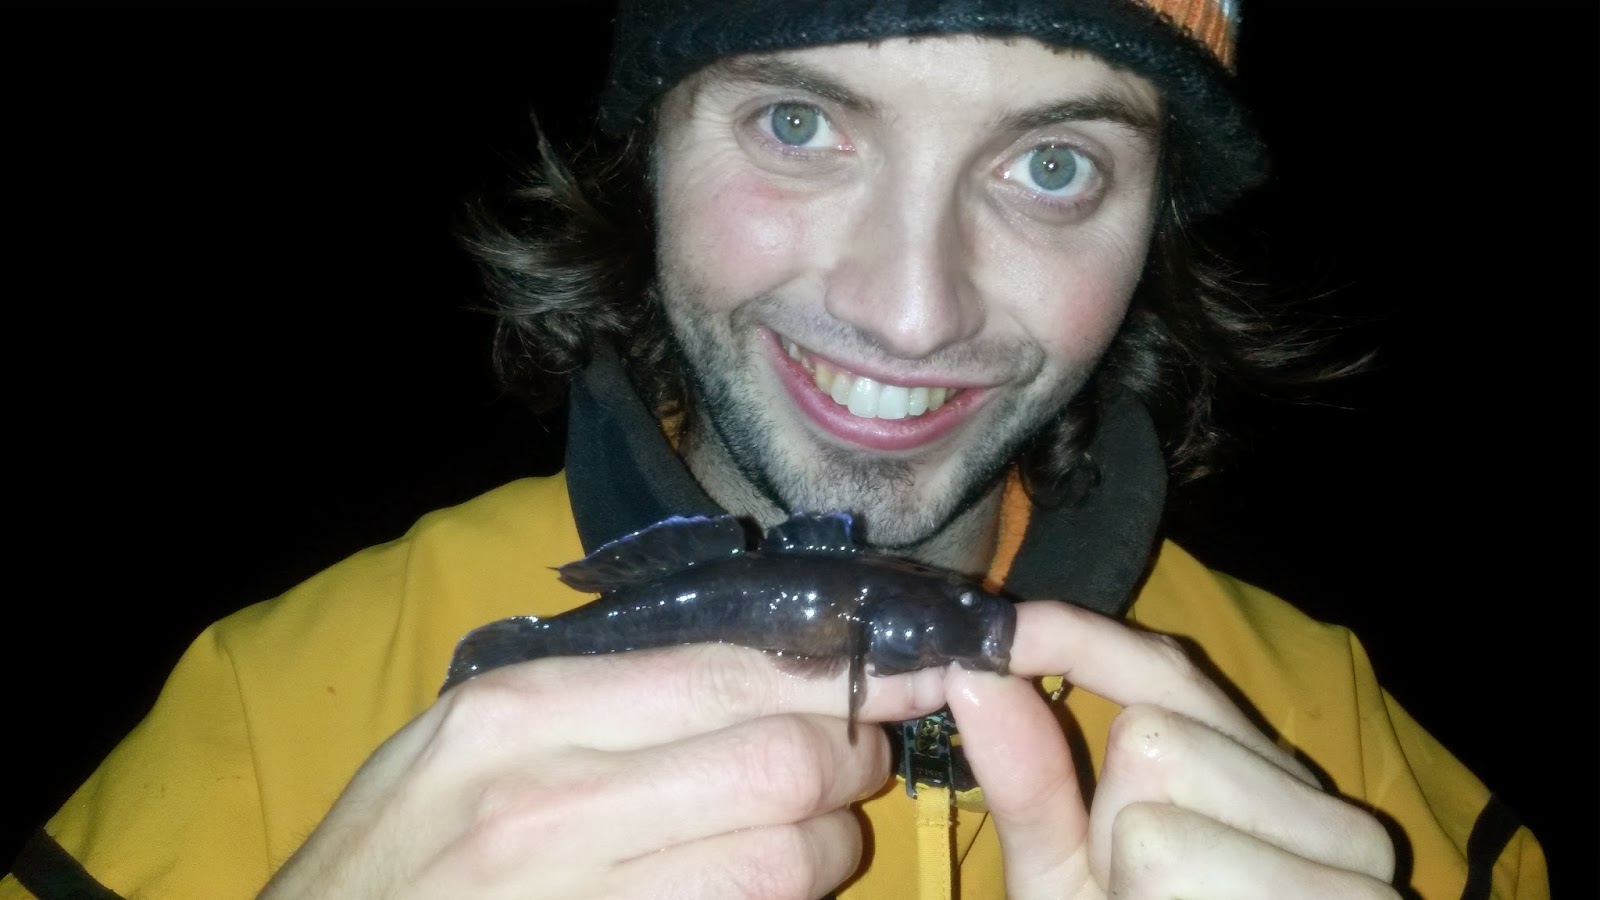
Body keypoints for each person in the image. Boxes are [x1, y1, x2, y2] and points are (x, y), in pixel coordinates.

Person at [1, 1, 1553, 898]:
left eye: (1054, 163)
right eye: (799, 125)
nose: (911, 307)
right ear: (648, 149)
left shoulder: (1347, 749)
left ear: (1156, 225)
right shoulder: (254, 717)